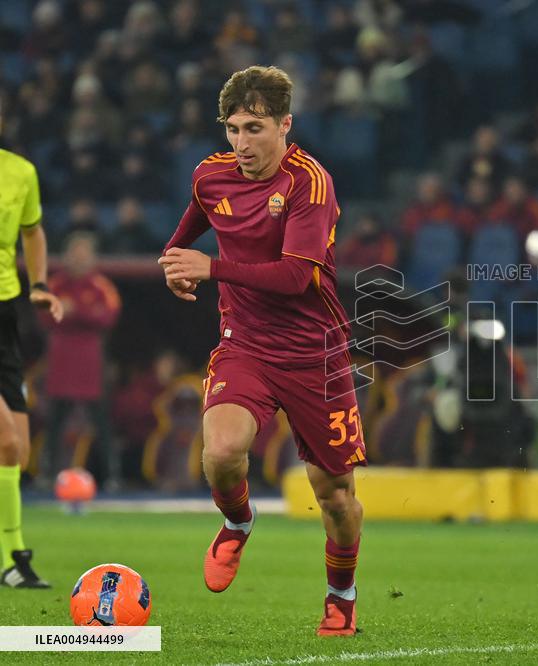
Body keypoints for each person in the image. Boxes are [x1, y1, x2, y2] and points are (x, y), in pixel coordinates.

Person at [157, 66, 366, 636]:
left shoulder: (309, 183)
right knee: (220, 454)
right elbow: (193, 224)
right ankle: (238, 523)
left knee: (336, 498)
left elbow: (298, 278)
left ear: (285, 125)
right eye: (232, 129)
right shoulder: (210, 176)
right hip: (244, 343)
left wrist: (213, 266)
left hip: (314, 352)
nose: (241, 144)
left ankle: (341, 597)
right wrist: (175, 259)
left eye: (254, 129)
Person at [0, 104, 64, 588]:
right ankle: (13, 558)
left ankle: (13, 559)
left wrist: (39, 283)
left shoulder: (20, 173)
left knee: (16, 450)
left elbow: (33, 230)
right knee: (6, 440)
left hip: (5, 313)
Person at [39, 232, 121, 490]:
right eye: (75, 253)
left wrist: (75, 310)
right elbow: (43, 317)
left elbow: (108, 317)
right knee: (54, 421)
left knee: (101, 422)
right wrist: (70, 311)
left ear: (93, 258)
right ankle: (46, 474)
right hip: (61, 359)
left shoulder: (101, 286)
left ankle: (110, 477)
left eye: (84, 254)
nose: (78, 259)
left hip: (89, 361)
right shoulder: (54, 285)